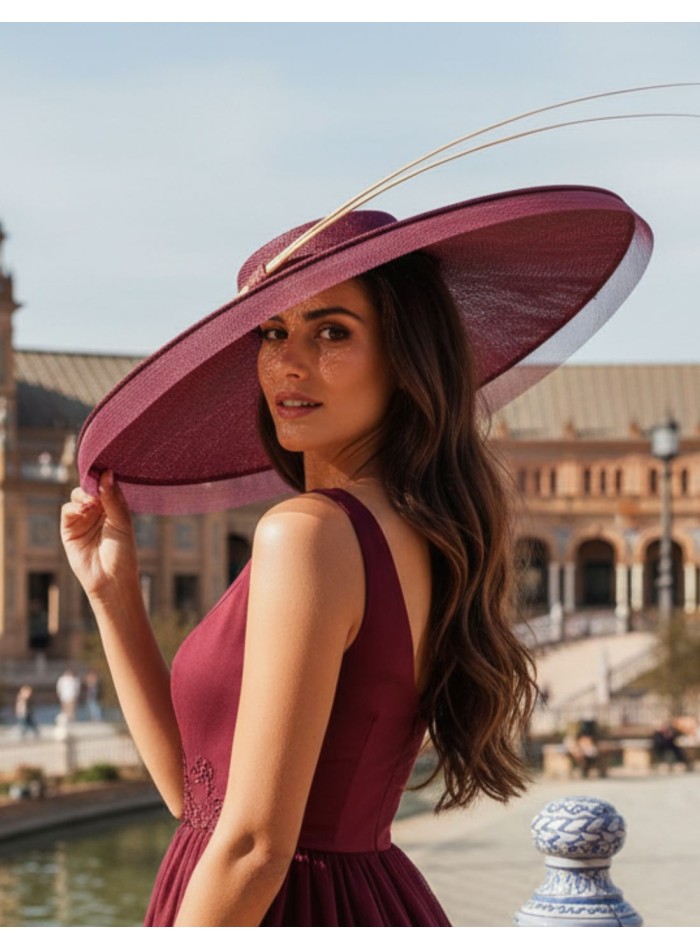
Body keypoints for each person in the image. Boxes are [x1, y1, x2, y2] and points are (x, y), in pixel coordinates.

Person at [62, 188, 651, 926]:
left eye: (331, 332)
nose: (289, 363)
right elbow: (199, 797)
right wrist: (114, 596)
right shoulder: (418, 531)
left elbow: (250, 847)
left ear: (405, 357)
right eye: (272, 334)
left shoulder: (307, 535)